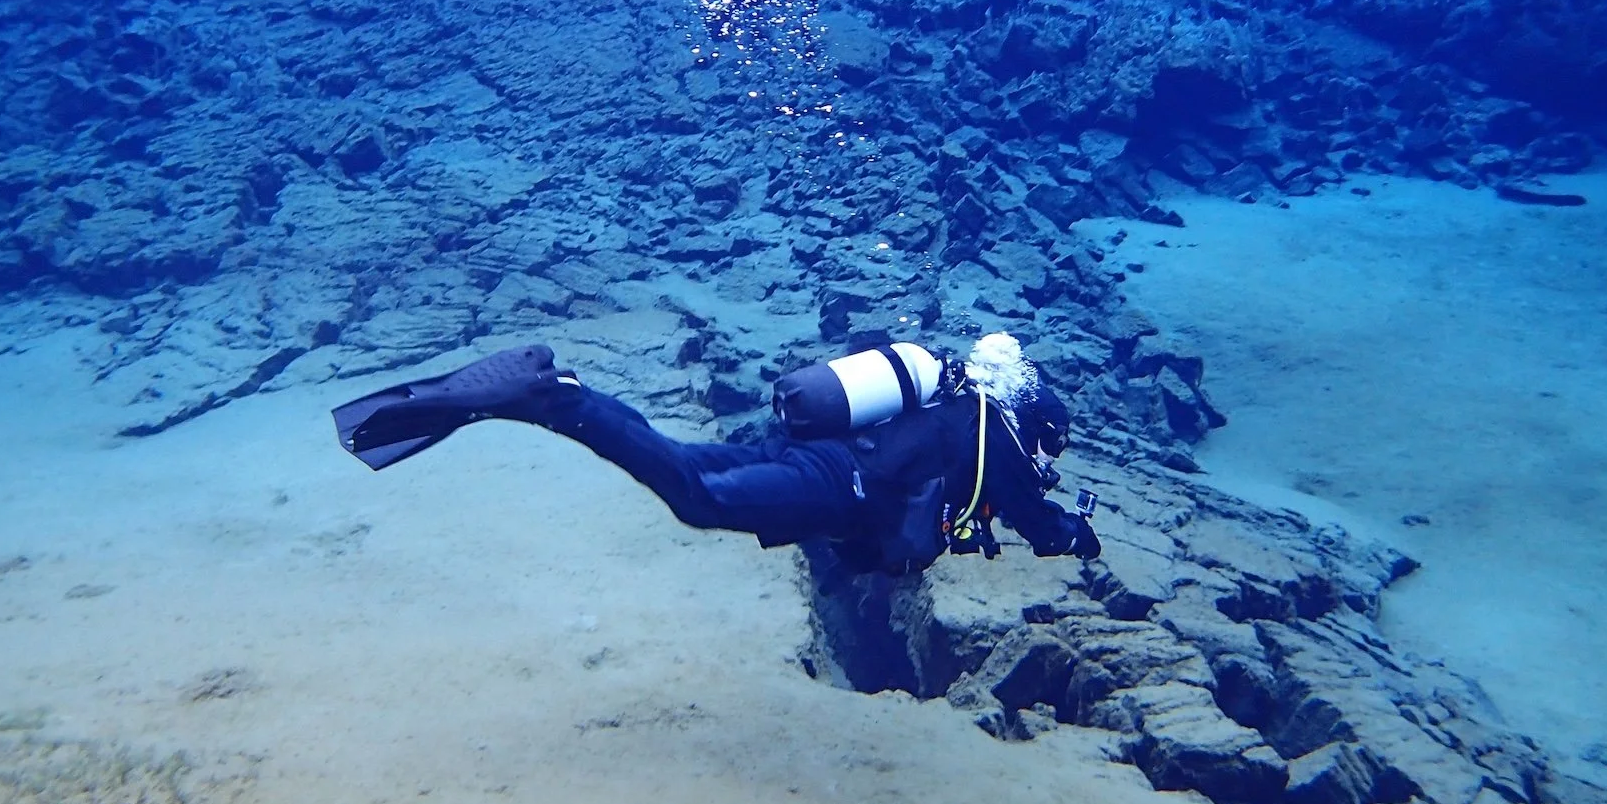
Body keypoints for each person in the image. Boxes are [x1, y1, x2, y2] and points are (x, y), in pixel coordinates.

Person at [333, 331, 1101, 576]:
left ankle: (561, 392)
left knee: (689, 464)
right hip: (839, 481)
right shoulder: (989, 428)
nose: (1040, 461)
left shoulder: (951, 406)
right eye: (1044, 449)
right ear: (1031, 421)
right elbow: (1038, 524)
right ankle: (556, 401)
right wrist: (1074, 533)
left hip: (820, 455)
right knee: (700, 501)